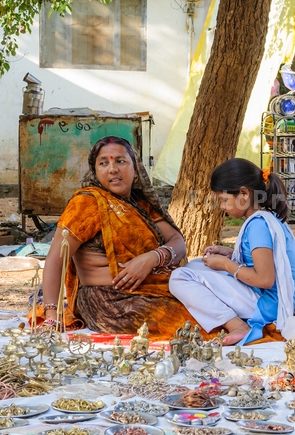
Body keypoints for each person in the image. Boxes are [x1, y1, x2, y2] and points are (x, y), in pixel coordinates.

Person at [169, 158, 295, 345]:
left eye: (224, 200)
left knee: (180, 277)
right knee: (196, 266)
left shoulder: (257, 225)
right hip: (284, 296)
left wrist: (226, 264)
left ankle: (237, 326)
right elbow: (263, 258)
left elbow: (265, 279)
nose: (222, 207)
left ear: (243, 194)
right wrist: (230, 253)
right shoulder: (265, 217)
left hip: (269, 303)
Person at [37, 136, 203, 340]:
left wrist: (152, 258)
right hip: (110, 300)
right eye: (103, 163)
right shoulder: (88, 203)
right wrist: (52, 314)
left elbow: (177, 241)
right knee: (197, 324)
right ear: (96, 172)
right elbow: (56, 258)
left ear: (136, 170)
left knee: (214, 302)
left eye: (120, 161)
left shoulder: (140, 204)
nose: (112, 169)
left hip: (156, 288)